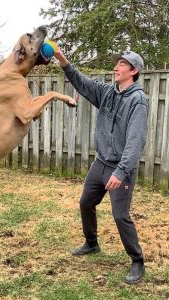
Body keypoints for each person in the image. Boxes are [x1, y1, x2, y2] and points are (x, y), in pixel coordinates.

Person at [54, 49, 148, 284]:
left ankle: (137, 261)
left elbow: (135, 141)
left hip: (121, 168)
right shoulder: (107, 93)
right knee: (86, 202)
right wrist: (61, 59)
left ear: (133, 71)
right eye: (117, 63)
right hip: (101, 162)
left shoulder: (138, 101)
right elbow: (81, 81)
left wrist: (121, 171)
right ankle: (92, 243)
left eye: (122, 64)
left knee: (120, 215)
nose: (116, 67)